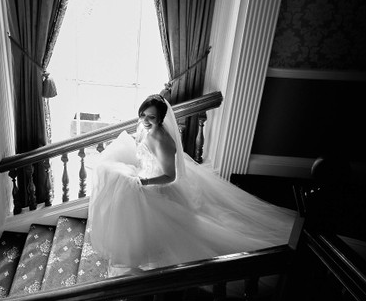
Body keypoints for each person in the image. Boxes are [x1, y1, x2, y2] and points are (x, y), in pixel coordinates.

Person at [87, 93, 296, 274]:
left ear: (161, 119)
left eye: (151, 117)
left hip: (160, 186)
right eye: (143, 114)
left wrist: (144, 181)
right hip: (147, 174)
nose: (145, 120)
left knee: (138, 207)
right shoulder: (145, 128)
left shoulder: (162, 140)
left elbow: (170, 176)